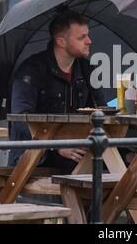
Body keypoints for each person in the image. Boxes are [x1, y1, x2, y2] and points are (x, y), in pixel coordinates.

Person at [8, 11, 106, 172]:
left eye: (87, 35)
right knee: (89, 166)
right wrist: (56, 145)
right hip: (36, 154)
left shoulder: (86, 69)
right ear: (61, 41)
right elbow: (20, 119)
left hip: (77, 147)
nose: (89, 41)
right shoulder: (32, 70)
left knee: (128, 157)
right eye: (81, 37)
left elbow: (101, 110)